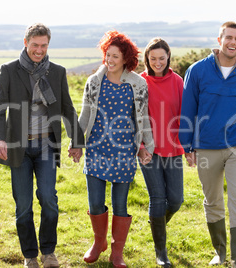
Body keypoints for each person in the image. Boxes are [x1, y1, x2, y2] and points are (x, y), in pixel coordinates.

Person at [0, 23, 84, 268]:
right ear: (25, 42)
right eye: (35, 45)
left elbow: (67, 108)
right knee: (23, 205)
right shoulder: (9, 70)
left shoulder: (57, 72)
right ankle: (30, 255)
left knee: (48, 199)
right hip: (17, 147)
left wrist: (77, 141)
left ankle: (49, 252)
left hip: (47, 146)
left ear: (48, 45)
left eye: (43, 45)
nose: (39, 50)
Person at [178, 21, 236, 268]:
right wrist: (187, 146)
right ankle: (220, 252)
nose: (233, 42)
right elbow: (188, 110)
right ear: (219, 40)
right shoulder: (198, 71)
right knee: (213, 200)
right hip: (206, 146)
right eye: (228, 37)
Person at [77, 30, 154, 268]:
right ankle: (98, 242)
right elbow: (85, 115)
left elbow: (143, 118)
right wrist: (77, 143)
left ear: (125, 59)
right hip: (96, 149)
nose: (110, 60)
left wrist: (144, 147)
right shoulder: (94, 82)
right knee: (96, 203)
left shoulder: (138, 85)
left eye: (115, 56)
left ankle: (116, 252)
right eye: (107, 55)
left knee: (121, 204)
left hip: (123, 152)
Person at [139, 37, 184, 267]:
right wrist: (140, 147)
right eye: (153, 58)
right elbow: (132, 117)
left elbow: (187, 114)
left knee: (175, 200)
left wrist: (189, 145)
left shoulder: (177, 81)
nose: (157, 62)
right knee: (157, 199)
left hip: (174, 148)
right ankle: (161, 253)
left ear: (168, 58)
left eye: (162, 58)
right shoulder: (139, 82)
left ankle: (157, 223)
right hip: (148, 150)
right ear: (147, 58)